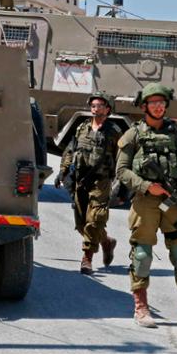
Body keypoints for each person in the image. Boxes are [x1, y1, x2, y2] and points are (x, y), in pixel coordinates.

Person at [116, 83, 177, 328]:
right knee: (142, 255)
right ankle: (141, 307)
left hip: (174, 203)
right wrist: (147, 186)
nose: (158, 107)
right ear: (144, 106)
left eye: (161, 102)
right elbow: (122, 171)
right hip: (146, 203)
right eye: (153, 103)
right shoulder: (133, 135)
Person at [56, 92, 121, 274]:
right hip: (81, 179)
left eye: (100, 105)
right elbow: (71, 150)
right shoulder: (82, 127)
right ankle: (106, 241)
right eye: (93, 105)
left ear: (107, 109)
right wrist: (63, 171)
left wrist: (122, 184)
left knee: (95, 219)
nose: (95, 108)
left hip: (101, 181)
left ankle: (87, 258)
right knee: (81, 223)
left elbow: (122, 158)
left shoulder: (114, 132)